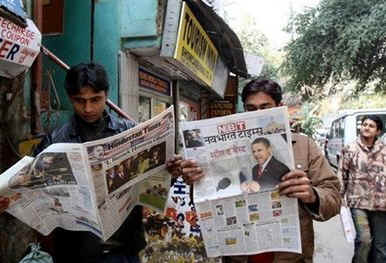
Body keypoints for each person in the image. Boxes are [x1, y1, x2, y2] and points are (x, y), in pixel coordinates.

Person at [179, 79, 341, 263]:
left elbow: (334, 198)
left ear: (280, 108)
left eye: (265, 107)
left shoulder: (304, 146)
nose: (258, 114)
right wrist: (196, 181)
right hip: (239, 256)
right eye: (251, 109)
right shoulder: (228, 150)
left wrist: (312, 195)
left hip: (290, 257)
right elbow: (207, 200)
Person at [33, 62, 145, 263]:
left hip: (122, 251)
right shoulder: (54, 141)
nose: (88, 108)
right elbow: (36, 193)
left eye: (95, 99)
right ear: (69, 98)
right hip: (75, 252)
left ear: (106, 95)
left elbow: (154, 182)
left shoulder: (129, 132)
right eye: (79, 101)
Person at [340, 115, 386, 263]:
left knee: (380, 247)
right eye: (364, 124)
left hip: (381, 204)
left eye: (371, 126)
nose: (366, 127)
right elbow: (341, 173)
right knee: (364, 240)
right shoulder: (350, 149)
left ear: (378, 131)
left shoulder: (384, 150)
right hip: (358, 203)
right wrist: (340, 198)